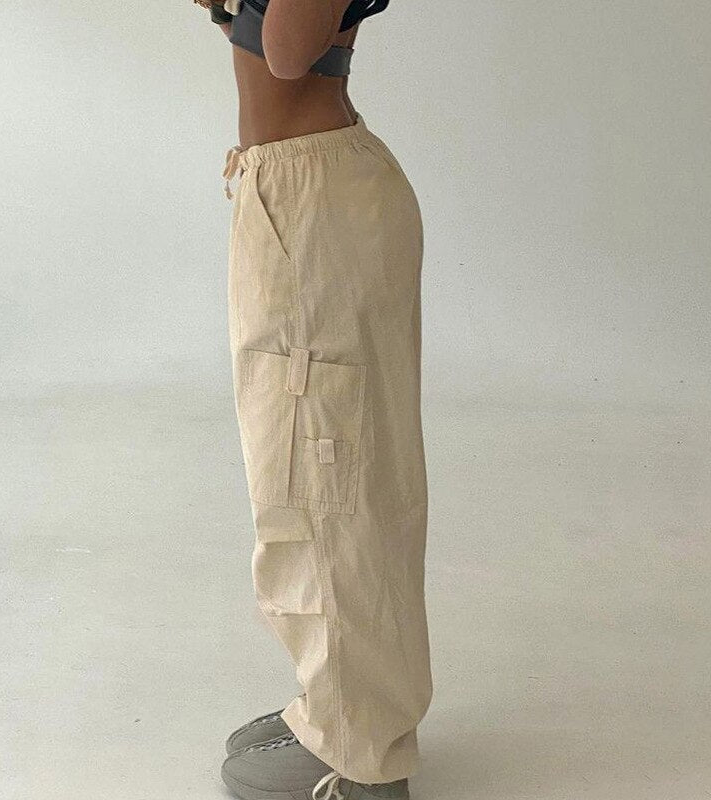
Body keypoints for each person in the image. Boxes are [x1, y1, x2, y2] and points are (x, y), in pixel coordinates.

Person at [201, 0, 434, 797]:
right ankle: (347, 705)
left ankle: (360, 752)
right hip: (297, 187)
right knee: (320, 472)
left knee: (327, 480)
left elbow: (288, 50)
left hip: (316, 202)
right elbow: (263, 42)